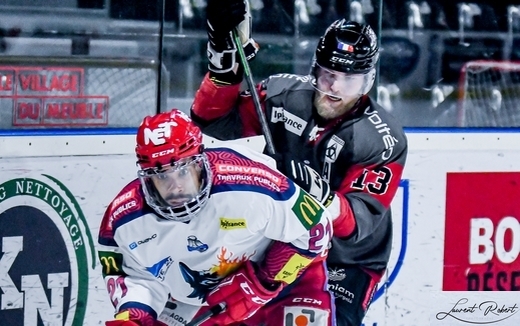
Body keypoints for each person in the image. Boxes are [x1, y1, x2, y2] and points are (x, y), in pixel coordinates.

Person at [190, 1, 408, 325]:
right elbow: (212, 121)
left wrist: (319, 195)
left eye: (349, 80)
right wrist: (224, 69)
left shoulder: (383, 140)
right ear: (314, 69)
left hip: (343, 261)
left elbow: (356, 226)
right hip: (277, 239)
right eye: (328, 74)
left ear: (368, 81)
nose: (335, 87)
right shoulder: (282, 94)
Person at [98, 109, 335, 326]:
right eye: (162, 177)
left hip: (289, 283)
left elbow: (317, 229)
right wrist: (134, 316)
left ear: (200, 163)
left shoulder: (250, 184)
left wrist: (266, 280)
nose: (175, 187)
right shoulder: (122, 221)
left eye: (182, 172)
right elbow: (135, 277)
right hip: (203, 301)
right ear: (146, 178)